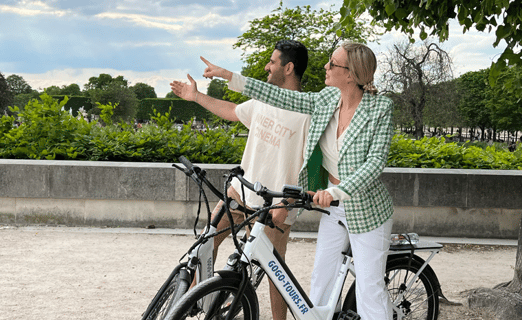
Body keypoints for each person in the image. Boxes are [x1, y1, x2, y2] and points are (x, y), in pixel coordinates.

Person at [200, 42, 395, 320]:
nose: (326, 66)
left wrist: (339, 189)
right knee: (319, 285)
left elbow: (375, 162)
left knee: (370, 290)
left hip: (366, 210)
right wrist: (231, 76)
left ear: (351, 74)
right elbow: (279, 97)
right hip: (332, 209)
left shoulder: (380, 109)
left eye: (333, 64)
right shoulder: (327, 99)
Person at [169, 39, 311, 320]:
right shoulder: (264, 99)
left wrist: (289, 202)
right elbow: (233, 112)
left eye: (273, 61)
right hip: (240, 192)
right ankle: (193, 307)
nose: (267, 66)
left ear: (289, 67)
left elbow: (311, 167)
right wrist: (197, 97)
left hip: (275, 205)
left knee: (275, 273)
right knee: (205, 244)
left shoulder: (308, 111)